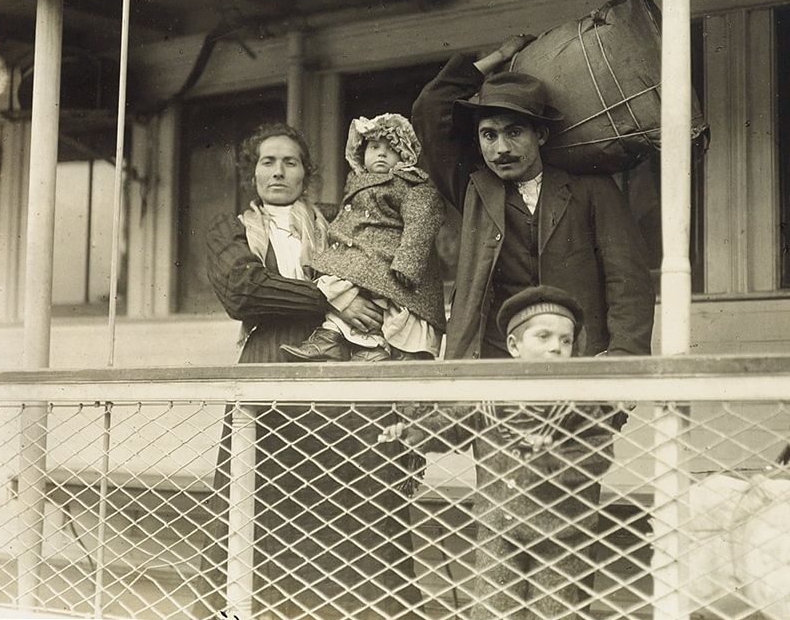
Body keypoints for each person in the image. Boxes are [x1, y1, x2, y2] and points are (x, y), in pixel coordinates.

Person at [198, 122, 422, 620]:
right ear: (252, 172)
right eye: (267, 161)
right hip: (270, 364)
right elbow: (246, 293)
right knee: (257, 498)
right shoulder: (230, 227)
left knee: (354, 499)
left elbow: (383, 256)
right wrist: (334, 297)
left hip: (342, 367)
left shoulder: (336, 219)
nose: (278, 171)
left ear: (307, 173)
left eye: (291, 162)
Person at [381, 285, 626, 620]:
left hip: (561, 530)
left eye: (565, 340)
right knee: (493, 609)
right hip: (498, 526)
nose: (556, 347)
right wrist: (412, 432)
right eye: (543, 337)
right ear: (514, 346)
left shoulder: (577, 400)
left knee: (553, 612)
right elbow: (454, 426)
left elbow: (598, 453)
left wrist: (554, 459)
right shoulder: (490, 397)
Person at [411, 34, 655, 360]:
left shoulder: (592, 189)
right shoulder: (474, 188)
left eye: (514, 132)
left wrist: (624, 356)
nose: (501, 149)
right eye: (489, 135)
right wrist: (500, 54)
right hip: (491, 362)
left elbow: (628, 281)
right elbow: (430, 106)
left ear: (539, 135)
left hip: (576, 359)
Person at [281, 113, 446, 362]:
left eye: (392, 149)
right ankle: (331, 338)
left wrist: (407, 262)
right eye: (375, 147)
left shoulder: (410, 184)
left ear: (405, 157)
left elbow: (422, 220)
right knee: (335, 281)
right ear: (361, 153)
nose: (381, 153)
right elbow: (348, 215)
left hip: (388, 256)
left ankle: (374, 347)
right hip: (360, 253)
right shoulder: (357, 184)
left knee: (379, 298)